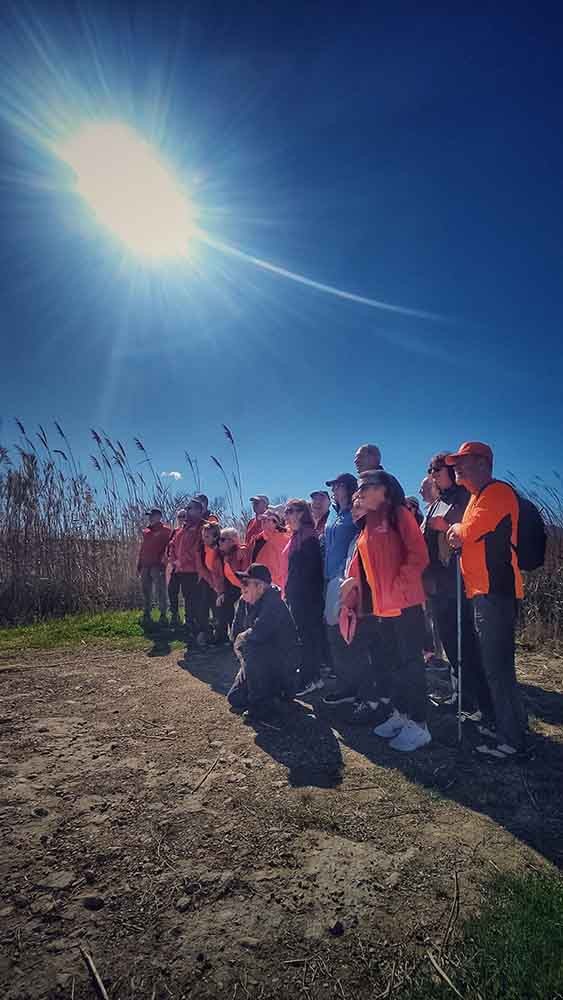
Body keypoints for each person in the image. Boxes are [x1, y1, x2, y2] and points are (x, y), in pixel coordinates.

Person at [445, 442, 527, 758]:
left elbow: (466, 532)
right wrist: (459, 530)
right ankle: (509, 728)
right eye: (455, 462)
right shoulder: (477, 497)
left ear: (483, 463)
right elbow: (464, 534)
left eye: (463, 461)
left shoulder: (497, 493)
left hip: (496, 593)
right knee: (495, 666)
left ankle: (513, 742)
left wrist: (456, 528)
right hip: (483, 592)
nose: (456, 467)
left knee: (498, 669)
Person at [341, 471, 432, 752]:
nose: (359, 493)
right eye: (358, 489)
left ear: (384, 489)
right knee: (393, 664)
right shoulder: (368, 524)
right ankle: (401, 714)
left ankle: (419, 724)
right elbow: (362, 565)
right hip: (383, 608)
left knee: (411, 664)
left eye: (365, 487)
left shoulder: (399, 514)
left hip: (405, 604)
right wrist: (352, 585)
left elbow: (419, 555)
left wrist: (398, 588)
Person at [424, 453, 494, 723]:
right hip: (438, 583)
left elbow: (469, 532)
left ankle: (481, 705)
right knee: (450, 644)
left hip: (457, 581)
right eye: (431, 470)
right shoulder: (437, 501)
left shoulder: (465, 496)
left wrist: (447, 526)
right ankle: (462, 697)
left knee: (466, 645)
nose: (433, 473)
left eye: (438, 469)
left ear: (451, 471)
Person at [227, 564, 300, 723]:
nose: (242, 588)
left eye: (246, 583)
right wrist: (243, 666)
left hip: (281, 665)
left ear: (260, 587)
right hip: (260, 662)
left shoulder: (274, 603)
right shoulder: (245, 601)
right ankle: (271, 697)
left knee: (251, 645)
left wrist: (242, 639)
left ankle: (263, 706)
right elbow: (235, 633)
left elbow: (258, 633)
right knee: (235, 698)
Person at [321, 473, 359, 700]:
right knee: (334, 630)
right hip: (329, 578)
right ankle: (346, 683)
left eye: (337, 486)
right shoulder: (334, 515)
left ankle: (350, 686)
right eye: (333, 487)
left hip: (343, 578)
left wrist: (347, 573)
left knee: (341, 631)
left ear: (347, 488)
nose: (334, 490)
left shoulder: (354, 513)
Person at [284, 499, 326, 698]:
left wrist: (300, 594)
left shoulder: (308, 536)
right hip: (298, 595)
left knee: (307, 638)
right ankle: (311, 676)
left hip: (307, 597)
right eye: (286, 511)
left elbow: (311, 570)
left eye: (290, 511)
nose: (286, 515)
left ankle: (311, 678)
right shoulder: (297, 536)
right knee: (305, 636)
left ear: (301, 513)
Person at [167, 499, 206, 642]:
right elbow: (172, 545)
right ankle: (190, 628)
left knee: (196, 601)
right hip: (182, 571)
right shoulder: (183, 528)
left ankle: (200, 631)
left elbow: (197, 549)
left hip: (195, 571)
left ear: (199, 510)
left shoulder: (203, 527)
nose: (187, 511)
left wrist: (181, 561)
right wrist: (173, 560)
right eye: (187, 508)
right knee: (187, 600)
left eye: (190, 508)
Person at [137, 508, 172, 627]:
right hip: (145, 565)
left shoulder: (166, 531)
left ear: (159, 516)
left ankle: (163, 614)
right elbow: (143, 548)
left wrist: (164, 560)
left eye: (152, 515)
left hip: (158, 566)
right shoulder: (146, 531)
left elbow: (169, 547)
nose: (150, 518)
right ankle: (147, 612)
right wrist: (139, 563)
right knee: (146, 590)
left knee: (160, 590)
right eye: (149, 516)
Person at [217, 527, 250, 638]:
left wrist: (245, 589)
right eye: (219, 539)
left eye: (222, 539)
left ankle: (235, 635)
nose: (219, 542)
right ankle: (227, 635)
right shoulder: (224, 555)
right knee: (224, 602)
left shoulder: (240, 552)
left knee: (228, 604)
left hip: (243, 586)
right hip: (232, 586)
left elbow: (245, 573)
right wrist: (222, 593)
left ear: (232, 541)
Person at [197, 521, 224, 643]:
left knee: (218, 609)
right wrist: (212, 583)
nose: (204, 539)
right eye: (203, 536)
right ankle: (206, 632)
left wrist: (218, 587)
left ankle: (220, 635)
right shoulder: (201, 549)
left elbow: (221, 571)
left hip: (218, 584)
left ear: (215, 537)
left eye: (207, 536)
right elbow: (201, 569)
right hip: (206, 581)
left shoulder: (220, 550)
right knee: (203, 607)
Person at [250, 507, 289, 590]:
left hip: (278, 588)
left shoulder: (283, 539)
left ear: (276, 523)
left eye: (268, 519)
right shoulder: (258, 539)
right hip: (261, 586)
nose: (263, 521)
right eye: (262, 519)